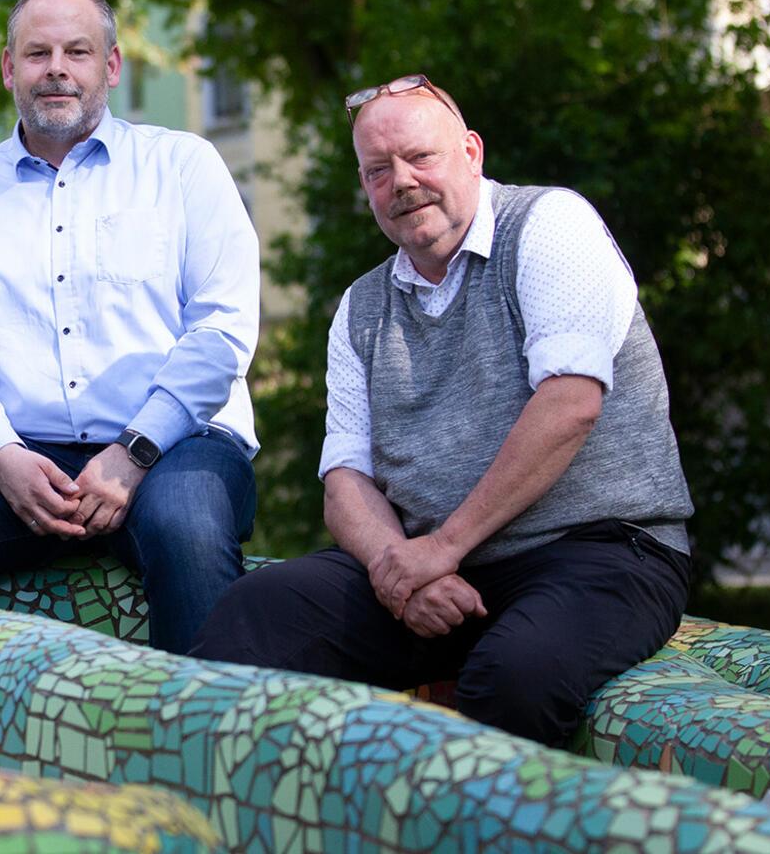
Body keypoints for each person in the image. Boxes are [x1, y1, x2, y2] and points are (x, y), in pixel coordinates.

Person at [190, 74, 693, 746]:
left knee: (515, 677)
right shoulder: (361, 308)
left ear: (472, 152)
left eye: (420, 157)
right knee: (255, 614)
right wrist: (399, 570)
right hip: (433, 565)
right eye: (377, 170)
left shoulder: (549, 225)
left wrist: (442, 548)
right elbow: (344, 483)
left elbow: (571, 405)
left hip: (601, 552)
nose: (401, 181)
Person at [0, 0, 261, 653]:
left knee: (187, 530)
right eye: (37, 53)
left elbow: (223, 329)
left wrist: (134, 452)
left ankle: (201, 749)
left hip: (176, 440)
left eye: (77, 51)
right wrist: (1, 455)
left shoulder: (183, 167)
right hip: (19, 446)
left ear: (110, 67)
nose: (56, 68)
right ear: (8, 69)